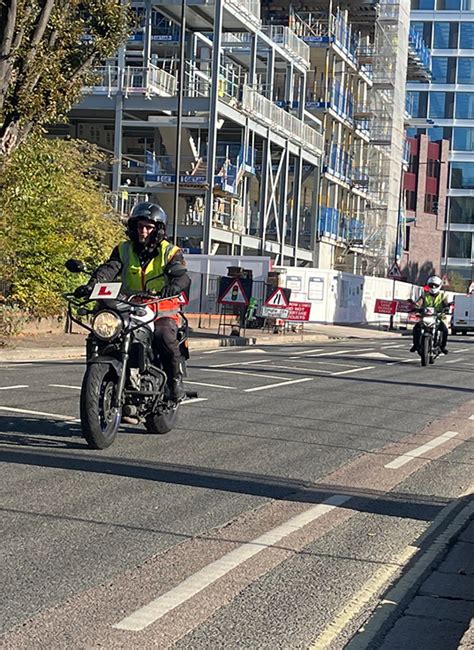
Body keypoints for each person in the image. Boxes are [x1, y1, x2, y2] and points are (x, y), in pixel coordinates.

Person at [74, 202, 191, 401]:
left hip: (162, 306)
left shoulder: (170, 251)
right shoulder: (123, 249)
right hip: (130, 304)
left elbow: (183, 276)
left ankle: (174, 381)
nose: (143, 231)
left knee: (164, 334)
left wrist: (174, 286)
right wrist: (91, 285)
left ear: (158, 230)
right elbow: (109, 268)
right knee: (103, 332)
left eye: (148, 227)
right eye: (139, 226)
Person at [410, 275, 450, 354]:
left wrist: (446, 308)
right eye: (431, 285)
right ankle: (415, 344)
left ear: (439, 286)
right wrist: (416, 307)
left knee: (445, 330)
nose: (433, 286)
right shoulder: (424, 295)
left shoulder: (443, 296)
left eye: (435, 285)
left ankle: (442, 347)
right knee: (416, 328)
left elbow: (445, 304)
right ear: (428, 285)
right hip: (426, 316)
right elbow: (419, 302)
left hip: (439, 317)